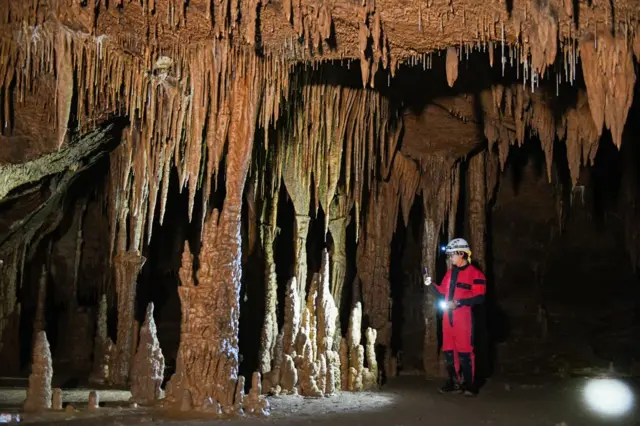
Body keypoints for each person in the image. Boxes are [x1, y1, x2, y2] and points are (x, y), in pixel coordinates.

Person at [423, 237, 486, 396]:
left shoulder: (475, 274)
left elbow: (480, 297)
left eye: (452, 254)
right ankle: (454, 382)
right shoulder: (450, 274)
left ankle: (470, 385)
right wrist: (430, 285)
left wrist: (458, 302)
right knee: (449, 351)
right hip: (447, 318)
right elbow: (442, 292)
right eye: (449, 255)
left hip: (463, 317)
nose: (450, 257)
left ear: (461, 254)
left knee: (465, 351)